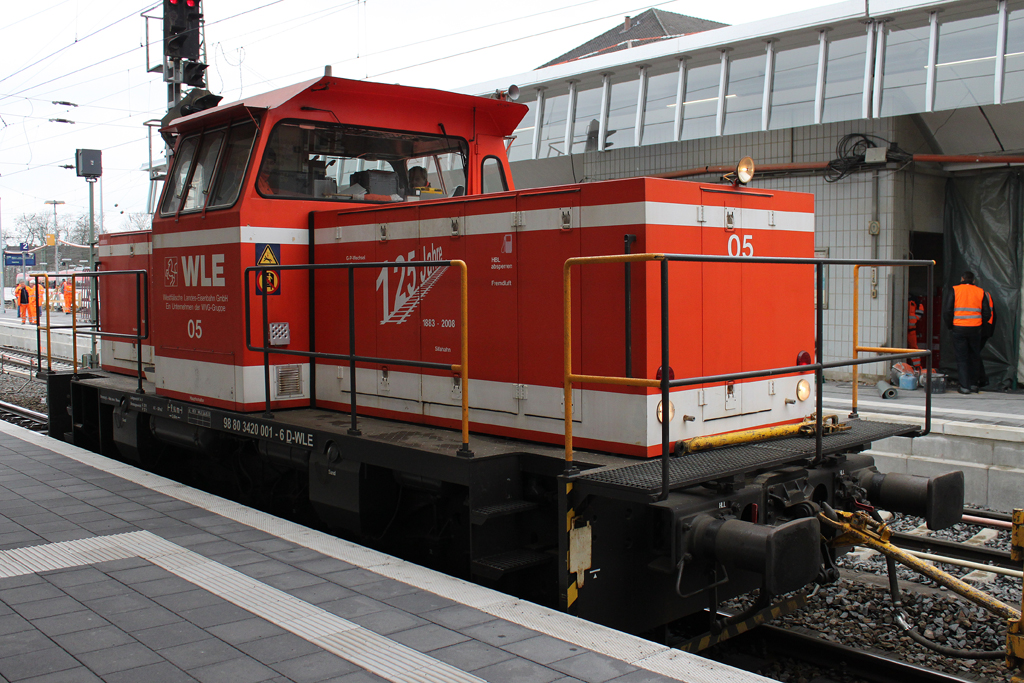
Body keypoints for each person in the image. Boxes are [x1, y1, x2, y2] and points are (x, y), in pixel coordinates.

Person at [943, 271, 991, 394]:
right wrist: (980, 325)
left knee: (961, 358)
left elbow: (948, 311)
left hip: (959, 328)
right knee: (974, 356)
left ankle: (965, 386)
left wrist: (951, 326)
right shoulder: (980, 292)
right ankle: (974, 384)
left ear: (962, 278)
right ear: (973, 280)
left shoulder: (955, 290)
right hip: (975, 329)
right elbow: (987, 313)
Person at [907, 297, 922, 371]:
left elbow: (921, 310)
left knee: (914, 349)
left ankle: (917, 367)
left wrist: (916, 318)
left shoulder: (915, 301)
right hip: (903, 330)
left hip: (911, 330)